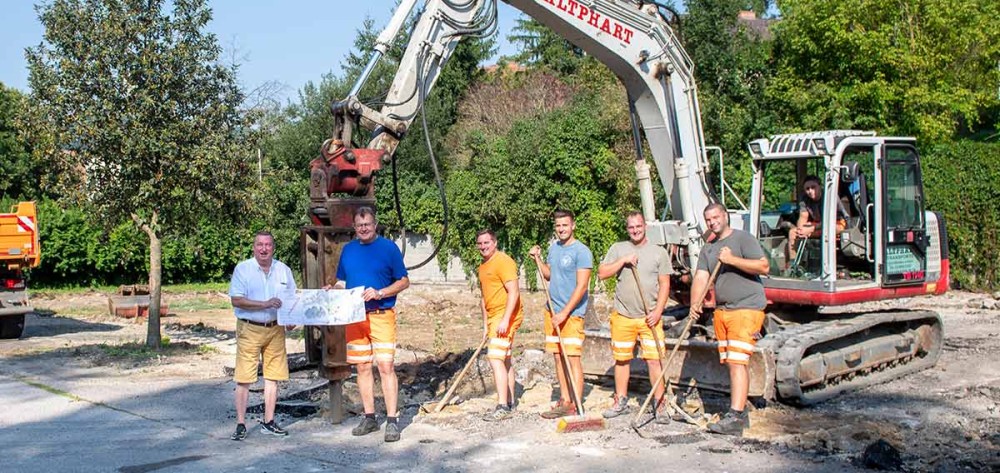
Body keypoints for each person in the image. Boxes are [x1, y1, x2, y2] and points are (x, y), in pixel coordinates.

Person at [689, 203, 770, 436]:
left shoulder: (743, 239)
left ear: (725, 216)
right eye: (708, 219)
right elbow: (701, 277)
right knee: (730, 362)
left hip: (746, 308)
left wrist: (732, 259)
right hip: (722, 311)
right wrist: (695, 305)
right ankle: (738, 412)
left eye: (716, 217)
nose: (712, 222)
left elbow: (763, 266)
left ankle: (735, 415)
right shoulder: (709, 249)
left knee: (737, 362)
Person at [335, 207, 410, 443]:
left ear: (375, 225)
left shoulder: (388, 248)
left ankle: (392, 420)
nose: (363, 228)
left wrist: (380, 292)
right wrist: (334, 291)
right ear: (354, 227)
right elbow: (341, 281)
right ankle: (369, 417)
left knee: (386, 366)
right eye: (359, 225)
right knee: (363, 367)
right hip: (355, 318)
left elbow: (404, 280)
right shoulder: (348, 250)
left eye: (367, 224)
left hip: (381, 315)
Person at [597, 211, 673, 422]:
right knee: (621, 360)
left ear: (645, 226)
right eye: (631, 227)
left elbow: (665, 284)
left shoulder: (658, 252)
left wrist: (658, 311)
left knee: (654, 360)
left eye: (638, 226)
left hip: (650, 317)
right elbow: (602, 273)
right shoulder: (619, 248)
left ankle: (660, 404)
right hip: (623, 315)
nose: (635, 230)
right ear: (627, 228)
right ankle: (620, 399)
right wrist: (623, 261)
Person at [229, 231, 296, 440]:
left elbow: (292, 298)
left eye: (268, 245)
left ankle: (269, 421)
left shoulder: (283, 270)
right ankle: (240, 423)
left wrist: (291, 319)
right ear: (254, 247)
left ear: (273, 247)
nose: (264, 249)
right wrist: (265, 304)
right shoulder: (243, 269)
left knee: (273, 377)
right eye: (260, 245)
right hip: (250, 327)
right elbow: (237, 300)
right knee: (244, 377)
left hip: (275, 328)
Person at [529, 209, 593, 419]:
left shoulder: (581, 251)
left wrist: (565, 313)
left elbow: (582, 286)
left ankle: (575, 402)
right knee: (558, 357)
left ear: (573, 225)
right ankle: (565, 399)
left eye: (565, 225)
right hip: (552, 311)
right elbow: (549, 276)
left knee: (572, 357)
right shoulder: (553, 248)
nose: (561, 229)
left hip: (571, 314)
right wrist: (537, 260)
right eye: (558, 226)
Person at [475, 229, 524, 421]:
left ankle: (502, 405)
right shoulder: (483, 266)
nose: (483, 247)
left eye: (487, 242)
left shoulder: (503, 261)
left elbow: (514, 292)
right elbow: (484, 297)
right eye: (480, 244)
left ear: (495, 242)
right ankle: (510, 402)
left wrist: (505, 319)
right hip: (494, 316)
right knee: (505, 359)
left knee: (495, 359)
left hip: (506, 315)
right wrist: (486, 324)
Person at [788, 175, 847, 265]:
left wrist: (811, 229)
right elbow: (803, 217)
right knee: (793, 232)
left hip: (836, 223)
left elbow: (829, 221)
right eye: (807, 189)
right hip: (817, 225)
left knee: (832, 228)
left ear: (820, 186)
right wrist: (801, 230)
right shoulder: (804, 199)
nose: (810, 191)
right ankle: (793, 264)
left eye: (813, 187)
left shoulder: (829, 196)